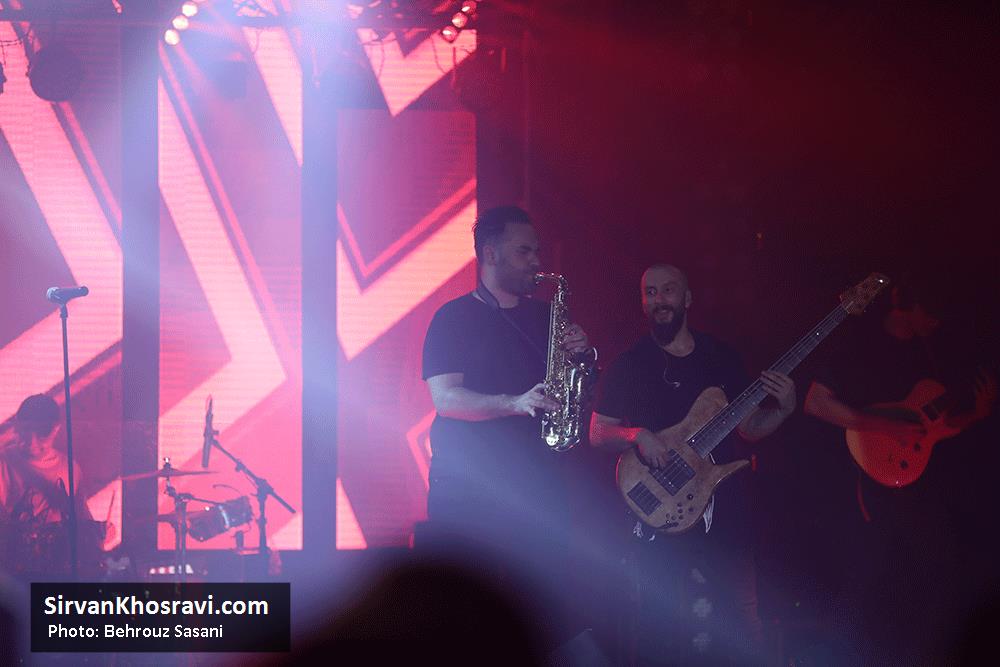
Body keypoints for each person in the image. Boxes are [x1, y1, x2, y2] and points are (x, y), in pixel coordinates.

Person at [589, 263, 796, 665]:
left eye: (668, 291)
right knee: (661, 629)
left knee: (738, 624)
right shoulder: (629, 364)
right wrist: (637, 435)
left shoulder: (721, 357)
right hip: (660, 515)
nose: (658, 300)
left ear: (687, 299)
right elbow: (598, 433)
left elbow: (750, 428)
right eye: (650, 292)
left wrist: (783, 410)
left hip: (724, 514)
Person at [802, 275, 996, 663]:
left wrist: (976, 415)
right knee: (869, 577)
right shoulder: (859, 345)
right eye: (930, 311)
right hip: (866, 479)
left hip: (916, 481)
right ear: (905, 303)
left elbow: (932, 428)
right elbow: (816, 403)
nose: (935, 321)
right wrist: (885, 425)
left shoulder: (928, 353)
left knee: (936, 571)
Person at [420, 205, 590, 647]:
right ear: (490, 254)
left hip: (536, 488)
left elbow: (567, 390)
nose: (536, 261)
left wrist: (582, 357)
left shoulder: (546, 316)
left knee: (546, 615)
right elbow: (446, 399)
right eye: (524, 252)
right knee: (462, 620)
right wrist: (514, 403)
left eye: (536, 251)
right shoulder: (452, 318)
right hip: (470, 492)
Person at [0, 394, 96, 579]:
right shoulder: (4, 461)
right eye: (26, 432)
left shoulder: (69, 467)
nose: (32, 442)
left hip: (56, 569)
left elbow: (81, 517)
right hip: (13, 569)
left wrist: (99, 532)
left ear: (55, 429)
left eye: (41, 434)